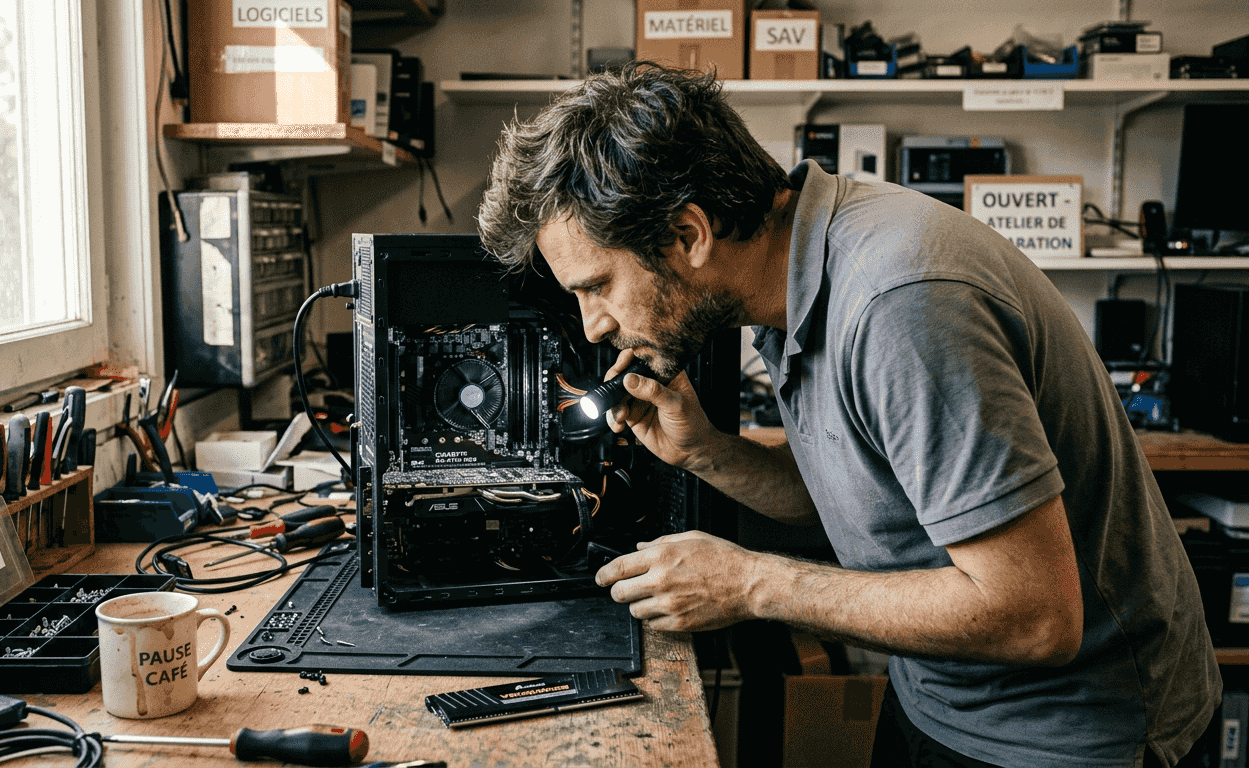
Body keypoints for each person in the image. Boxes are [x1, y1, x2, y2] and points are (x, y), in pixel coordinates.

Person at [476, 62, 1220, 768]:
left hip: (1061, 735)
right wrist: (707, 451)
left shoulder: (901, 304)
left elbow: (1033, 617)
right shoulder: (789, 272)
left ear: (688, 235)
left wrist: (749, 585)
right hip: (941, 696)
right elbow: (881, 502)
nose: (593, 325)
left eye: (598, 285)